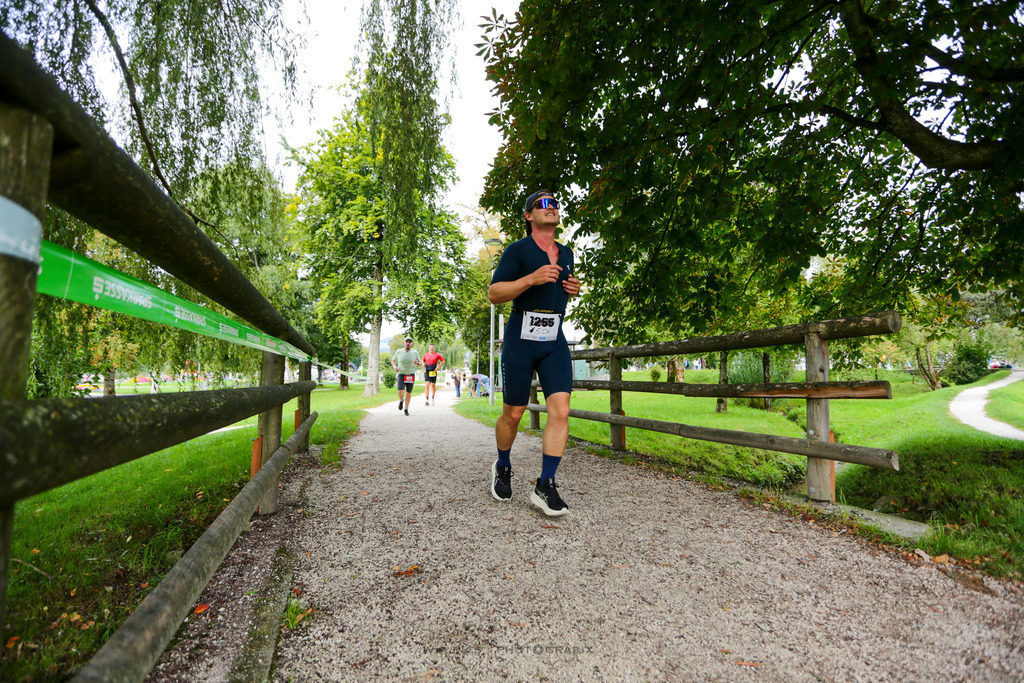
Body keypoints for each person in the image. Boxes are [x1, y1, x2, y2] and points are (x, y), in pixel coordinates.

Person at [487, 189, 581, 517]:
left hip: (553, 339)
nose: (551, 207)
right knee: (512, 414)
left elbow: (560, 292)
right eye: (543, 204)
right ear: (529, 216)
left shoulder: (566, 253)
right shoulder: (518, 251)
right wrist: (531, 278)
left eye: (554, 203)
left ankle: (546, 484)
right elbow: (495, 293)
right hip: (521, 340)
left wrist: (572, 288)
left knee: (561, 410)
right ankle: (502, 465)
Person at [391, 336, 421, 416]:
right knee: (400, 392)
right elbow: (393, 360)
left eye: (409, 342)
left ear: (412, 344)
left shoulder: (415, 352)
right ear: (404, 343)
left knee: (408, 393)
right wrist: (394, 367)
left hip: (410, 375)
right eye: (406, 342)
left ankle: (406, 408)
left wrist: (417, 363)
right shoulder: (399, 351)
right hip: (401, 374)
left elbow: (421, 363)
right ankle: (401, 400)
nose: (408, 343)